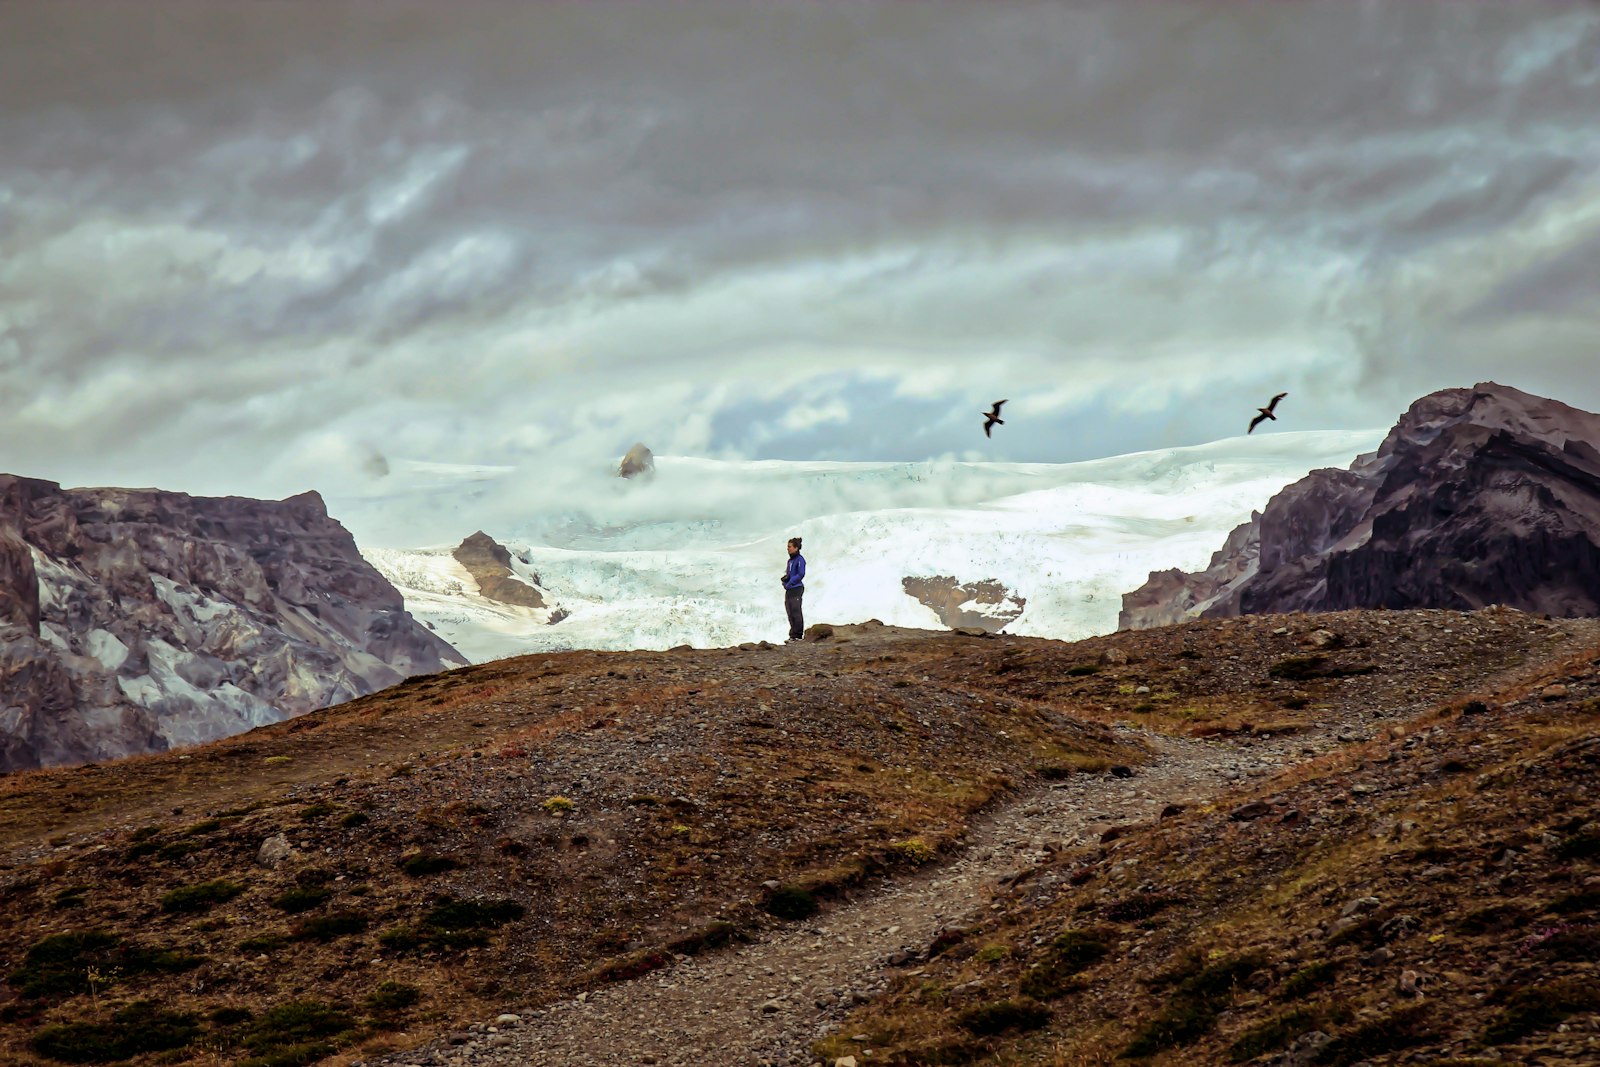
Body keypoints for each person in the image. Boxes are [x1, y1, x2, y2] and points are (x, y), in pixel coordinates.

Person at [781, 536, 806, 643]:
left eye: (790, 547)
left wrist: (790, 582)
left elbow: (801, 574)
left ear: (796, 548)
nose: (788, 549)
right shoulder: (789, 561)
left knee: (796, 611)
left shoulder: (800, 559)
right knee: (790, 611)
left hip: (797, 588)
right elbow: (789, 574)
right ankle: (792, 635)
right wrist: (785, 581)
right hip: (789, 589)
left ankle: (798, 636)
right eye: (788, 547)